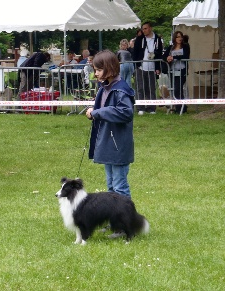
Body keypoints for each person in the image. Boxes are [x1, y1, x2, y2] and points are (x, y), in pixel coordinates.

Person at [85, 50, 135, 202]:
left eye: (99, 70)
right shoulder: (104, 88)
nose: (96, 74)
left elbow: (126, 113)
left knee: (120, 187)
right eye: (95, 70)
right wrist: (95, 113)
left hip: (118, 145)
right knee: (111, 187)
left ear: (110, 69)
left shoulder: (121, 89)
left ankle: (127, 222)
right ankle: (115, 220)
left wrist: (98, 112)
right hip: (108, 144)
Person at [132, 22, 163, 115]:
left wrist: (158, 67)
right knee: (140, 88)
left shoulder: (157, 39)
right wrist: (136, 64)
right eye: (143, 29)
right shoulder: (139, 39)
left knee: (151, 88)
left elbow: (159, 53)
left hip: (152, 67)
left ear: (150, 28)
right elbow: (135, 52)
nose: (144, 30)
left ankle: (151, 108)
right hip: (141, 66)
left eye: (145, 28)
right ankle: (140, 108)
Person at [162, 30, 190, 114]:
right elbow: (163, 56)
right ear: (175, 38)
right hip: (172, 71)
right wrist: (167, 58)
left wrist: (174, 57)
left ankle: (180, 108)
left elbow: (186, 55)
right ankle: (181, 107)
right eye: (177, 37)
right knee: (175, 89)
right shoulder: (171, 47)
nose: (179, 38)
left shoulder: (185, 46)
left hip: (182, 70)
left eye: (180, 36)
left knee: (178, 88)